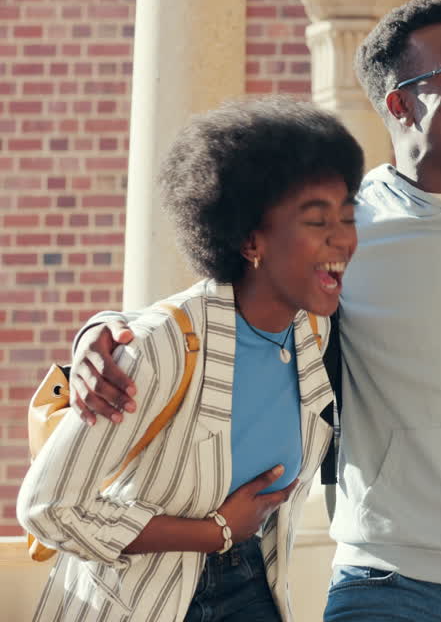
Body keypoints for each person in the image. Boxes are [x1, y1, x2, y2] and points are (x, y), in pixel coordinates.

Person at [66, 0, 441, 622]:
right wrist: (103, 330)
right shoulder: (343, 228)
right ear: (400, 104)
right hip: (385, 578)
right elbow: (224, 302)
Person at [18, 98, 364, 622]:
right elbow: (47, 510)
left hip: (254, 584)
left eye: (347, 216)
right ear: (251, 240)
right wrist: (214, 532)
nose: (343, 238)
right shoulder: (162, 347)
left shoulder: (313, 328)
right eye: (317, 221)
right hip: (139, 598)